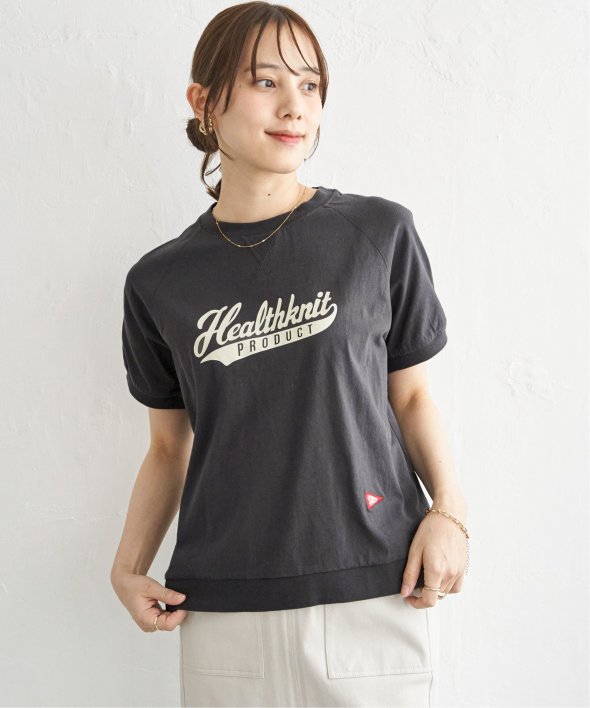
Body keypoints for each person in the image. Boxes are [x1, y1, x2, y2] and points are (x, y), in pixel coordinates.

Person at [110, 2, 469, 706]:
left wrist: (450, 513)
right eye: (266, 81)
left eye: (310, 86)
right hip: (222, 601)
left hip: (376, 584)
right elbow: (167, 447)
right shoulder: (160, 281)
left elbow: (412, 397)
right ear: (204, 102)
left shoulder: (377, 234)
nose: (294, 106)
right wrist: (128, 566)